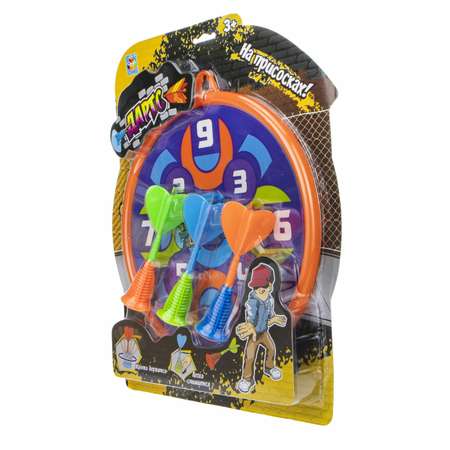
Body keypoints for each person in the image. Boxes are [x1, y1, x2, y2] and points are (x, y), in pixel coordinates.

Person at [235, 263, 287, 393]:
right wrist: (250, 326)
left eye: (263, 287)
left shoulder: (270, 300)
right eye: (256, 287)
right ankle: (247, 379)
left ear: (270, 286)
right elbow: (251, 316)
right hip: (254, 335)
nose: (259, 290)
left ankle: (269, 368)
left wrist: (275, 318)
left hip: (263, 332)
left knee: (272, 348)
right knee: (250, 356)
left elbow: (269, 316)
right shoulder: (253, 301)